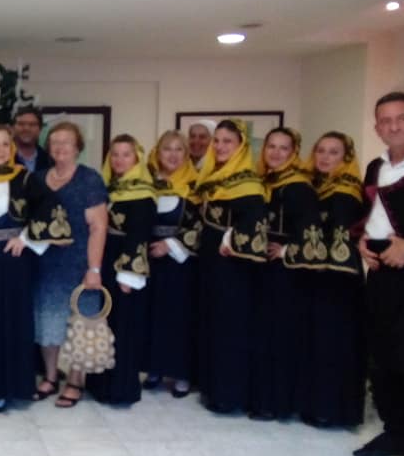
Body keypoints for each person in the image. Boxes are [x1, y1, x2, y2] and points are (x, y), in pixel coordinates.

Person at [0, 124, 72, 413]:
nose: (0, 149)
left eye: (6, 144)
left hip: (11, 262)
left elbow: (51, 208)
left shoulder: (24, 179)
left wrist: (25, 239)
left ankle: (1, 390)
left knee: (7, 324)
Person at [355, 92, 404, 456]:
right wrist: (363, 242)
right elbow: (372, 216)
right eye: (385, 120)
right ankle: (398, 433)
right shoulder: (375, 167)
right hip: (382, 270)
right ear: (377, 127)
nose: (393, 126)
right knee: (383, 357)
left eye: (402, 118)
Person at [31, 122, 109, 407]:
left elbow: (98, 227)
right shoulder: (38, 179)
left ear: (78, 147)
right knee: (46, 321)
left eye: (66, 142)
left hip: (79, 263)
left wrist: (94, 268)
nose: (60, 147)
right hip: (45, 263)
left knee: (80, 325)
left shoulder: (89, 179)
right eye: (55, 142)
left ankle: (75, 381)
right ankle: (51, 376)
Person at [193, 119, 268, 414]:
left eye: (228, 141)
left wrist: (230, 238)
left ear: (241, 146)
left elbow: (255, 220)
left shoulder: (248, 181)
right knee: (212, 321)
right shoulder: (213, 177)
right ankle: (212, 388)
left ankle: (229, 395)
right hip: (210, 261)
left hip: (233, 263)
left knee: (230, 326)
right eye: (218, 140)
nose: (221, 146)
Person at [250, 127, 324, 421]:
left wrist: (285, 251)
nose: (276, 153)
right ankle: (264, 398)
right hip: (263, 270)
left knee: (281, 337)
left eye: (284, 148)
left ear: (294, 153)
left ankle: (279, 403)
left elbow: (312, 233)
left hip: (287, 274)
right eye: (271, 146)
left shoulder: (299, 187)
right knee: (264, 334)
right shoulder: (266, 182)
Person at [299, 131, 366, 428]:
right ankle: (316, 405)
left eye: (334, 152)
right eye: (321, 151)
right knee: (315, 341)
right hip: (316, 274)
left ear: (346, 158)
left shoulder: (346, 191)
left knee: (333, 342)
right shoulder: (315, 186)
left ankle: (333, 410)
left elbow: (337, 235)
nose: (325, 157)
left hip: (338, 278)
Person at [85, 134, 156, 406]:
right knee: (105, 324)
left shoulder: (143, 193)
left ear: (137, 158)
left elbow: (139, 236)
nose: (119, 160)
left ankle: (120, 389)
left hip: (124, 268)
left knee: (123, 328)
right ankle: (100, 384)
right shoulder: (110, 188)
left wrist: (128, 274)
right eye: (114, 154)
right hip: (105, 261)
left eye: (126, 154)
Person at [143, 130, 201, 398]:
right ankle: (154, 368)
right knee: (153, 314)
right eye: (167, 149)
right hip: (149, 259)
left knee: (179, 317)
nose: (173, 155)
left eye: (179, 149)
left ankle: (181, 373)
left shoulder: (196, 186)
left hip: (181, 262)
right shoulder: (147, 183)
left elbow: (202, 225)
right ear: (158, 153)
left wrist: (171, 245)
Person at [13, 106, 53, 172]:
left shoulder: (49, 160)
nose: (26, 128)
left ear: (40, 129)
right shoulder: (2, 157)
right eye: (21, 124)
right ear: (13, 128)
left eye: (32, 124)